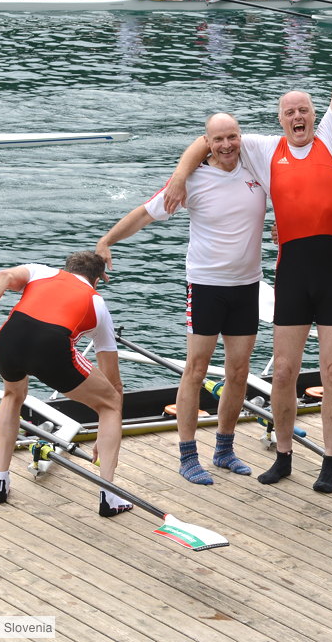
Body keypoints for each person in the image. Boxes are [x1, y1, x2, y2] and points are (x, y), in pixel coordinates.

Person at [165, 0, 332, 492]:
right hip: (292, 271)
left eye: (304, 109)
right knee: (282, 371)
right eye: (289, 112)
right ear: (280, 120)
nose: (298, 117)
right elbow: (210, 138)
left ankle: (328, 461)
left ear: (313, 114)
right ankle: (282, 455)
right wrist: (178, 178)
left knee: (331, 373)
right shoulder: (265, 149)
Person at [96, 112, 266, 485]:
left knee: (238, 372)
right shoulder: (190, 181)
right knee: (196, 370)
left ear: (241, 137)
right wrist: (106, 241)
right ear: (206, 142)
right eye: (218, 139)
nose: (226, 146)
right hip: (205, 286)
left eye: (232, 137)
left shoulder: (258, 168)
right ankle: (188, 455)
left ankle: (224, 449)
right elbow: (144, 214)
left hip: (247, 286)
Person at [0, 251, 133, 517]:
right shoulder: (97, 303)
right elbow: (114, 380)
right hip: (52, 346)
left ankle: (0, 481)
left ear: (66, 268)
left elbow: (2, 276)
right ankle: (109, 497)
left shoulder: (41, 271)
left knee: (12, 395)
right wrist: (109, 426)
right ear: (100, 278)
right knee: (110, 404)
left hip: (8, 338)